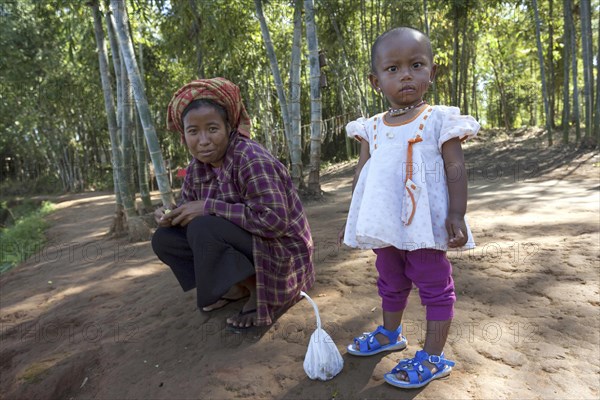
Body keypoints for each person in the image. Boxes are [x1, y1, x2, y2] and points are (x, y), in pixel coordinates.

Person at [338, 27, 479, 389]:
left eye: (416, 65)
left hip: (425, 227)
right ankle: (389, 333)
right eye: (393, 69)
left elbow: (455, 168)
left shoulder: (438, 119)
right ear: (375, 80)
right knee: (390, 278)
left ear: (430, 73)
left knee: (433, 283)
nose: (405, 75)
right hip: (386, 225)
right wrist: (354, 220)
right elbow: (363, 176)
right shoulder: (370, 128)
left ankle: (433, 356)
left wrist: (457, 214)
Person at [152, 77, 315, 329]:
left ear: (230, 127)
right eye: (193, 131)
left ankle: (261, 293)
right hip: (252, 244)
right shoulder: (197, 167)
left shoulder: (250, 158)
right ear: (183, 136)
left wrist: (210, 207)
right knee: (165, 238)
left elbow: (275, 222)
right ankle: (237, 287)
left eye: (212, 129)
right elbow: (188, 207)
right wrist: (169, 215)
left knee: (203, 227)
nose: (203, 140)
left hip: (285, 257)